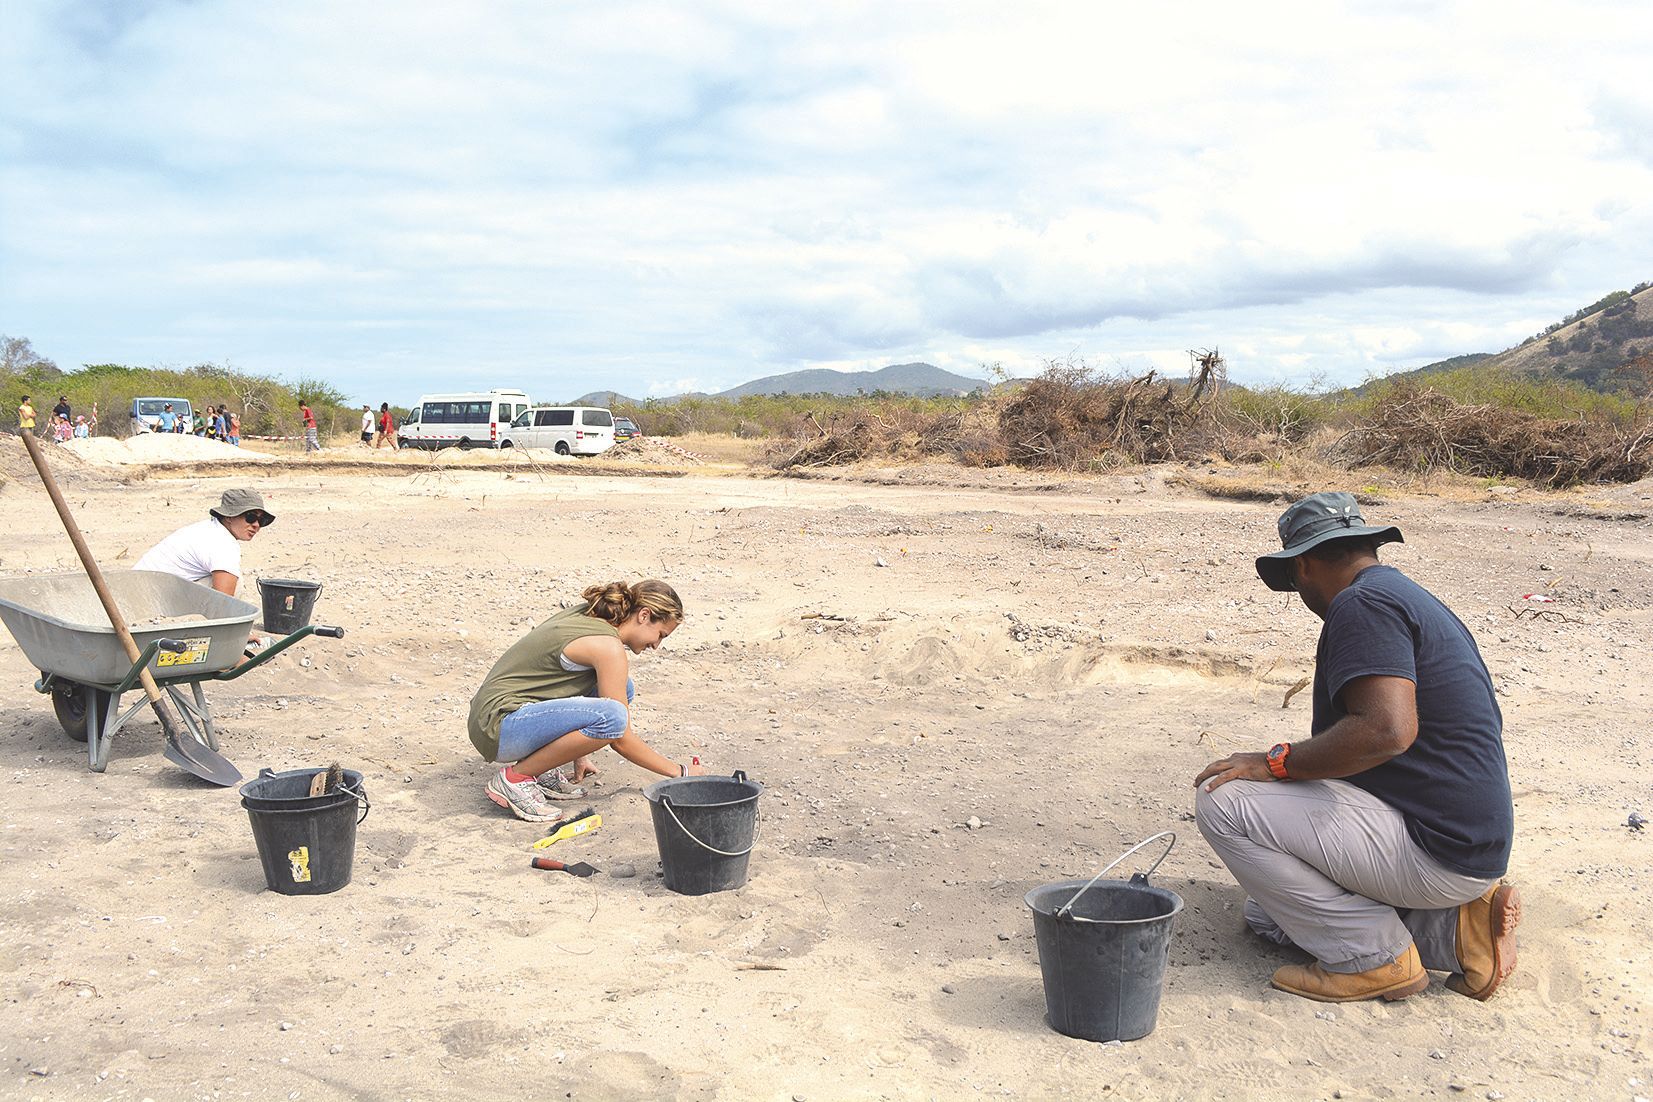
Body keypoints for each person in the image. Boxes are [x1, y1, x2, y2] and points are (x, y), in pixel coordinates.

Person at [1194, 492, 1518, 1004]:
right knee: (1268, 912)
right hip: (1467, 844)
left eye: (1295, 582)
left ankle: (1376, 960)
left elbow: (1386, 731)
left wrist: (1277, 762)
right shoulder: (1403, 595)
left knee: (1223, 800)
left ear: (1302, 566)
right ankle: (1459, 934)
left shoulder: (1361, 605)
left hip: (1436, 850)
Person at [468, 580, 703, 823]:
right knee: (613, 717)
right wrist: (680, 772)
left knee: (622, 687)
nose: (656, 645)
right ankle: (515, 779)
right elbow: (620, 736)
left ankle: (540, 769)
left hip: (490, 717)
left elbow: (570, 682)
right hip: (499, 728)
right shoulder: (608, 647)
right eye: (660, 634)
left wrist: (579, 751)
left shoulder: (592, 615)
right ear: (644, 615)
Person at [135, 488, 274, 597]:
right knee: (236, 584)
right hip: (148, 598)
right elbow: (225, 600)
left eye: (261, 521)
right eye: (250, 517)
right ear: (229, 517)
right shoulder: (223, 543)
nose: (256, 525)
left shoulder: (207, 529)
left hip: (136, 589)